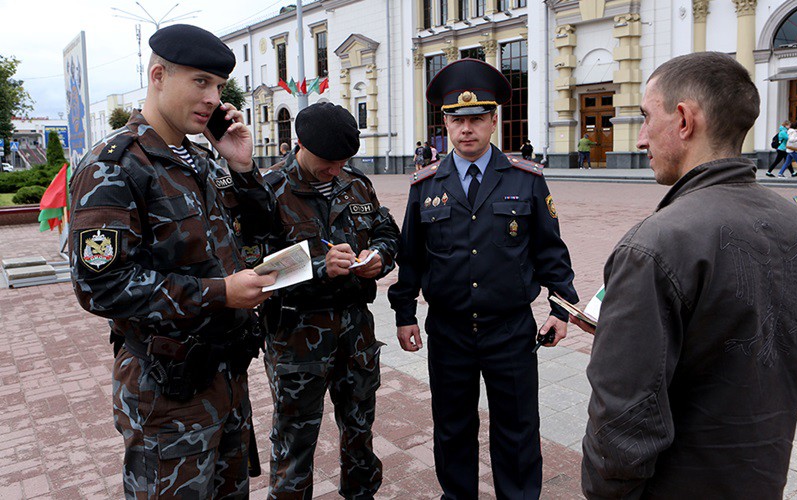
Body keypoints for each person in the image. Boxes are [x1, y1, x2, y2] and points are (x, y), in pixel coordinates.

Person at [570, 52, 797, 498]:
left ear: (683, 120)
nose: (638, 139)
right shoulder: (791, 220)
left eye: (644, 117)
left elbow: (621, 421)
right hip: (762, 478)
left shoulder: (655, 244)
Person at [68, 24, 278, 498]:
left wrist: (243, 168)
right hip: (166, 391)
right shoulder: (115, 165)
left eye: (219, 86)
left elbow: (265, 230)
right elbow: (100, 287)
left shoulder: (203, 159)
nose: (213, 98)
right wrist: (220, 292)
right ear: (159, 75)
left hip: (223, 377)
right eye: (200, 82)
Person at [387, 58, 579, 499]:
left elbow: (551, 251)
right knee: (452, 427)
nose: (466, 129)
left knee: (517, 428)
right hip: (449, 331)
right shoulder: (425, 185)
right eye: (457, 119)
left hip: (509, 329)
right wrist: (403, 313)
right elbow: (411, 256)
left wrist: (561, 310)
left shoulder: (525, 180)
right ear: (445, 124)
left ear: (495, 121)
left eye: (476, 119)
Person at [261, 102, 400, 498]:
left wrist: (379, 258)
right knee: (294, 441)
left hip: (355, 334)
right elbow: (250, 267)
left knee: (359, 431)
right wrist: (317, 264)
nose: (335, 170)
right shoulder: (269, 191)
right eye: (327, 162)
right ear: (299, 144)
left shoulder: (356, 183)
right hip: (297, 339)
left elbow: (387, 232)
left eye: (343, 161)